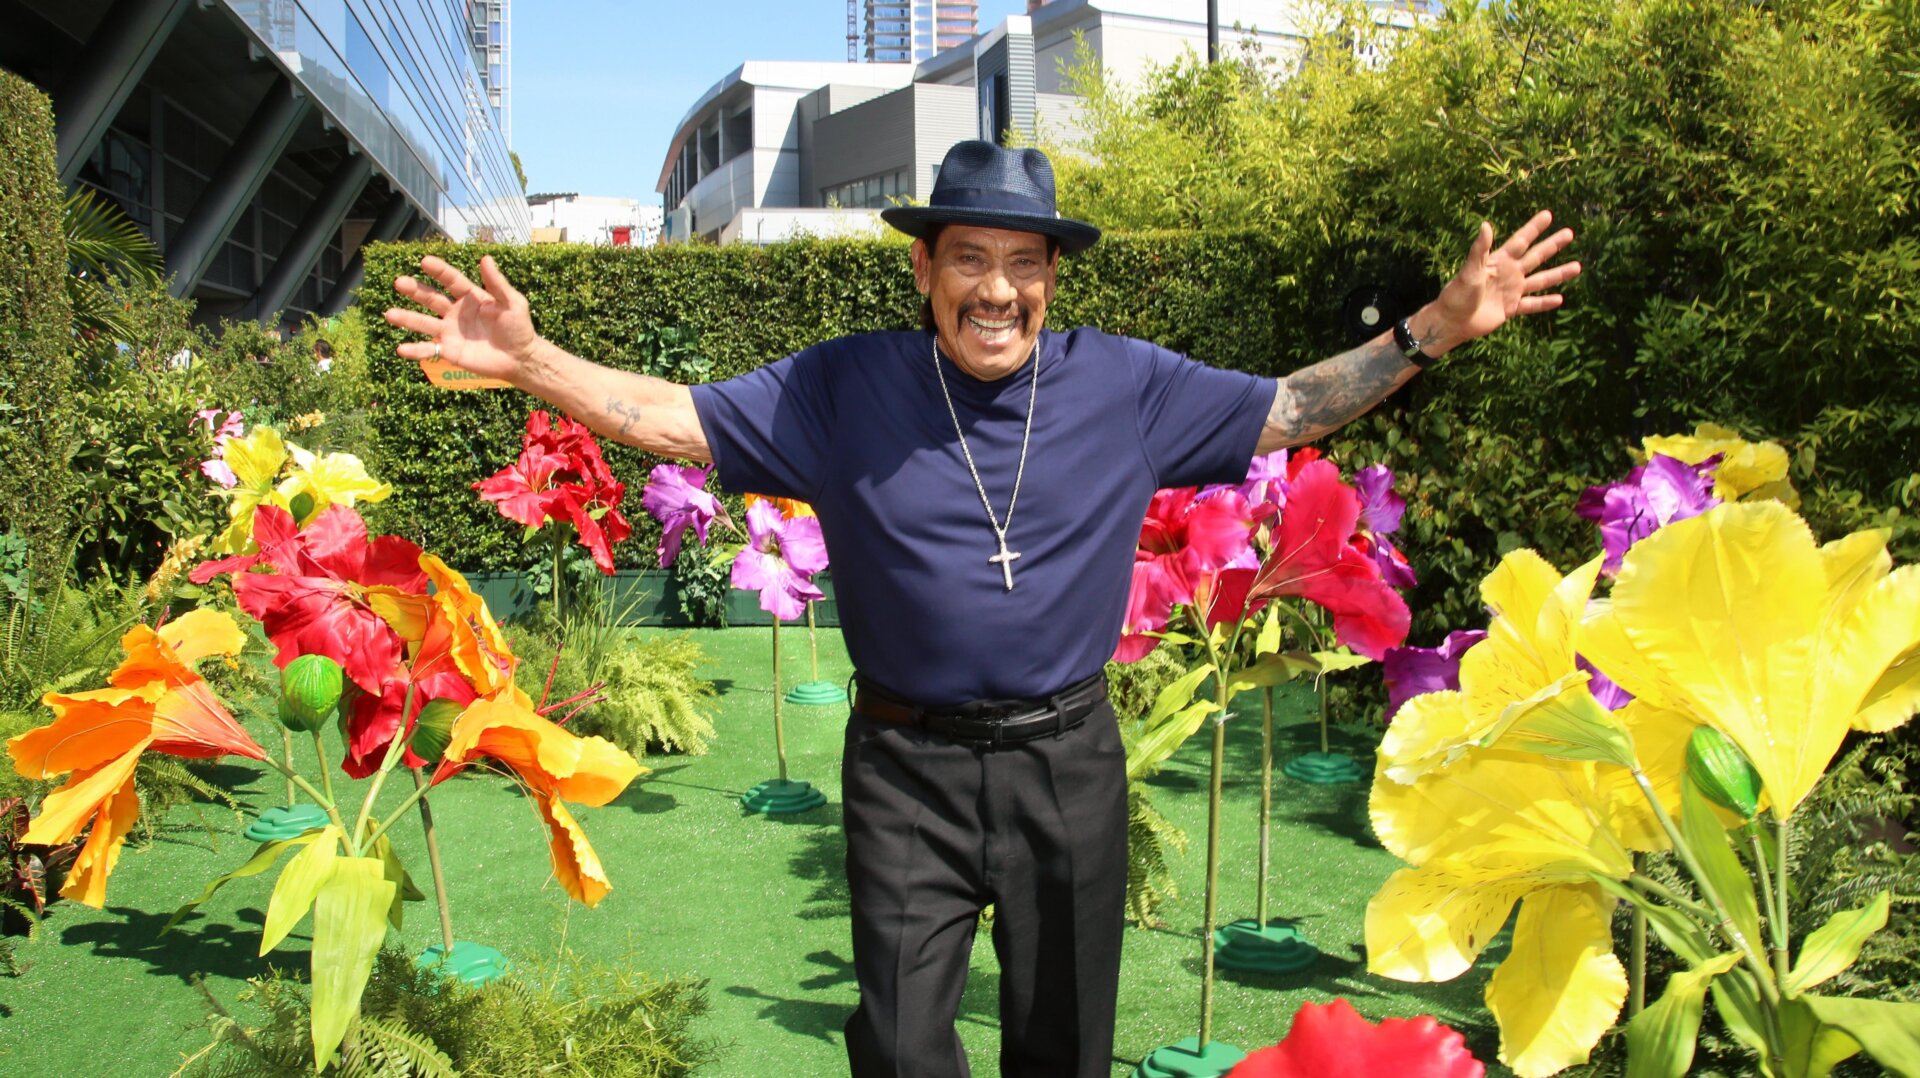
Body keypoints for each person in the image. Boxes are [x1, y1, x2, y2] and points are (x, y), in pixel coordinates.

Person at [385, 140, 1580, 1078]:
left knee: (1062, 1045)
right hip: (904, 767)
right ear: (925, 269)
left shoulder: (1126, 385)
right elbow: (672, 419)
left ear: (1052, 277)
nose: (997, 289)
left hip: (1067, 764)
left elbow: (1288, 407)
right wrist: (534, 360)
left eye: (1024, 263)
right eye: (969, 258)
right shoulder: (844, 386)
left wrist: (1434, 328)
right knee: (902, 1045)